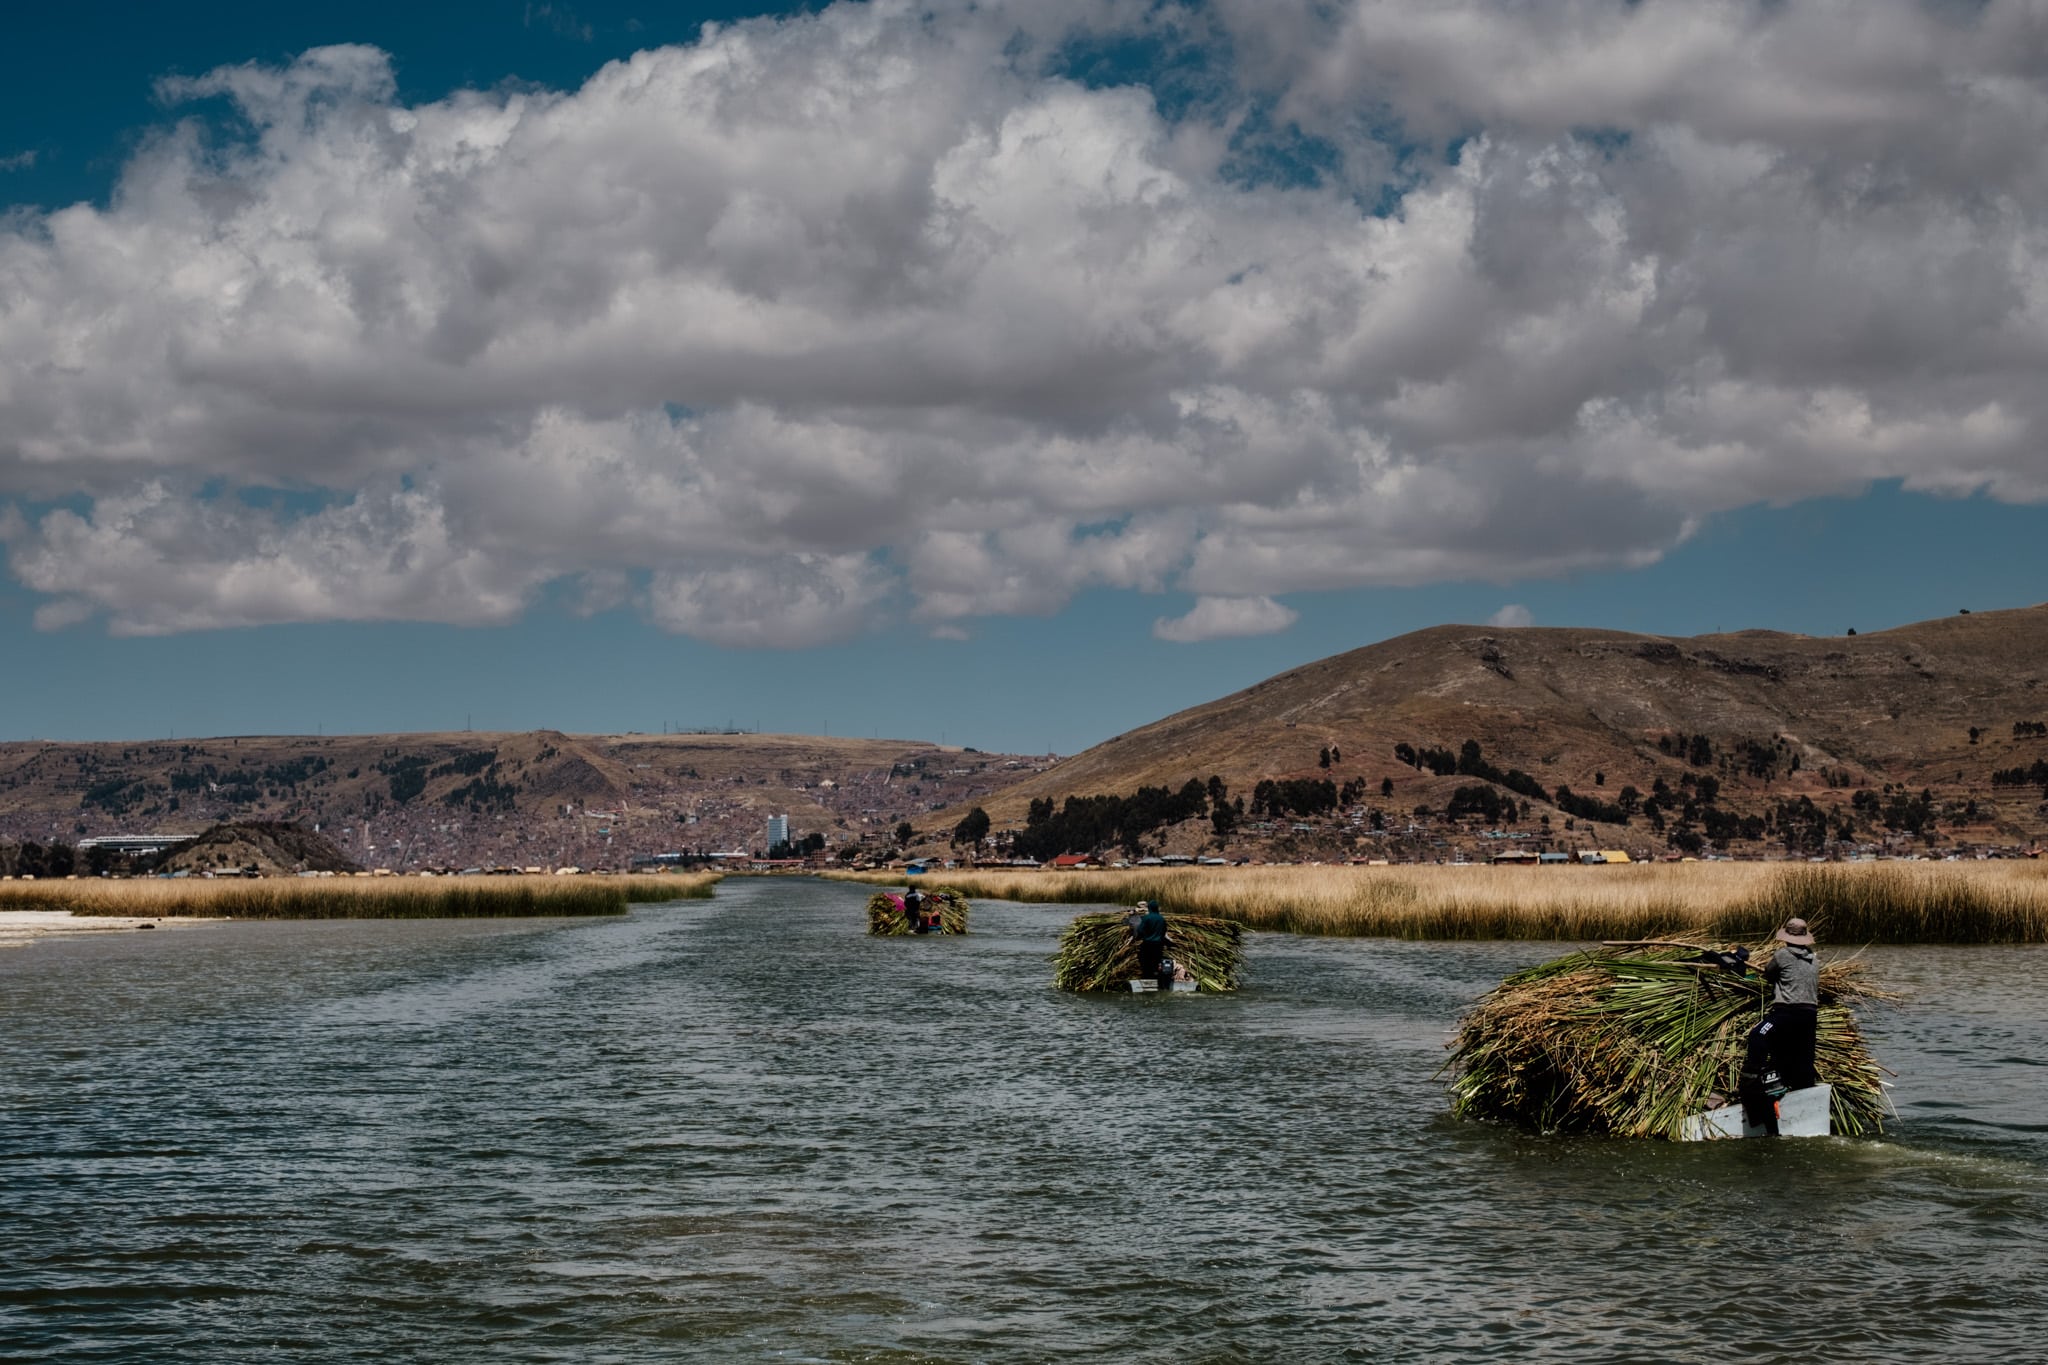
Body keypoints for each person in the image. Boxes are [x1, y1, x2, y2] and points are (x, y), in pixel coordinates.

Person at [1739, 917, 1820, 1134]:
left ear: (1787, 938)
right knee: (1803, 1059)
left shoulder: (1782, 955)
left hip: (1787, 1013)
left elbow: (1768, 975)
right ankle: (1804, 1093)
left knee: (1757, 1035)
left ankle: (1750, 1085)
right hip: (1810, 1016)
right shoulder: (1814, 958)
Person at [1131, 899, 1168, 980]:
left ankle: (1147, 978)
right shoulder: (1161, 919)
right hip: (1158, 945)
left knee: (1146, 962)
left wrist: (1141, 936)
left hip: (1148, 944)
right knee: (1156, 962)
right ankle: (1157, 977)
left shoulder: (1146, 918)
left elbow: (1140, 930)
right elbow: (1164, 931)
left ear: (1149, 908)